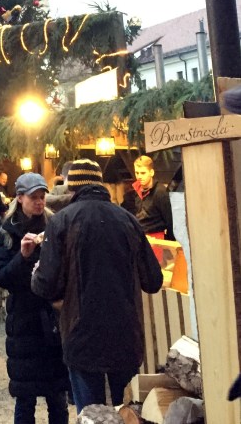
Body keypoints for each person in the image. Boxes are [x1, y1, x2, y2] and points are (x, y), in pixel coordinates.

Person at [31, 159, 163, 413]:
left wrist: (36, 274)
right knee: (128, 413)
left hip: (81, 334)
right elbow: (153, 281)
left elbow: (46, 286)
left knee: (90, 415)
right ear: (100, 185)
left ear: (72, 188)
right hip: (126, 334)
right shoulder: (128, 220)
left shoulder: (62, 221)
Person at [0, 173, 69, 424]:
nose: (38, 202)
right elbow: (1, 276)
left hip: (53, 319)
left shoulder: (54, 224)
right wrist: (23, 257)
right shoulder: (6, 231)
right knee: (25, 398)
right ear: (20, 197)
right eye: (33, 197)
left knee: (57, 395)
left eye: (42, 196)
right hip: (24, 320)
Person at [124, 154, 175, 240]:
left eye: (143, 173)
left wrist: (169, 244)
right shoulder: (134, 192)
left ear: (151, 172)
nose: (139, 176)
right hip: (139, 237)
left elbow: (171, 221)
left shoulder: (161, 192)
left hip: (157, 239)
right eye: (137, 173)